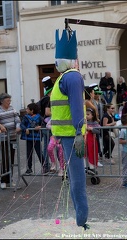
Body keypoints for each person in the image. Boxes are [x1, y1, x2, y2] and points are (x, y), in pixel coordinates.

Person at [50, 28, 89, 229]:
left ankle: (82, 220)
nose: (56, 61)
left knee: (77, 181)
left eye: (59, 57)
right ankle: (80, 219)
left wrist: (78, 132)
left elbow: (75, 107)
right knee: (75, 179)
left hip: (72, 137)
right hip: (67, 137)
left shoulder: (71, 77)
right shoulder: (65, 77)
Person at [0, 93, 21, 189]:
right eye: (7, 101)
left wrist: (17, 127)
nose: (9, 102)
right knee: (5, 158)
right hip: (3, 137)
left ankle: (10, 179)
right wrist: (0, 126)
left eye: (10, 100)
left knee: (11, 158)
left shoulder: (12, 108)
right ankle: (3, 180)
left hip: (13, 136)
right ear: (2, 101)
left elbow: (17, 119)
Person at [36, 76, 54, 174]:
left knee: (47, 146)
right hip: (48, 125)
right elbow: (47, 112)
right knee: (50, 147)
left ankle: (47, 166)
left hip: (44, 125)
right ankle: (48, 166)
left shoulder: (43, 98)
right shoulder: (48, 99)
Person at [20, 103, 44, 175]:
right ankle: (29, 168)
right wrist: (25, 129)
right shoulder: (26, 117)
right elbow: (22, 124)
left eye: (27, 109)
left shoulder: (39, 117)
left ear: (32, 110)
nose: (26, 110)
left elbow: (43, 124)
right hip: (29, 138)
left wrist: (40, 126)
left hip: (36, 137)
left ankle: (45, 166)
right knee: (29, 153)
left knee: (39, 152)